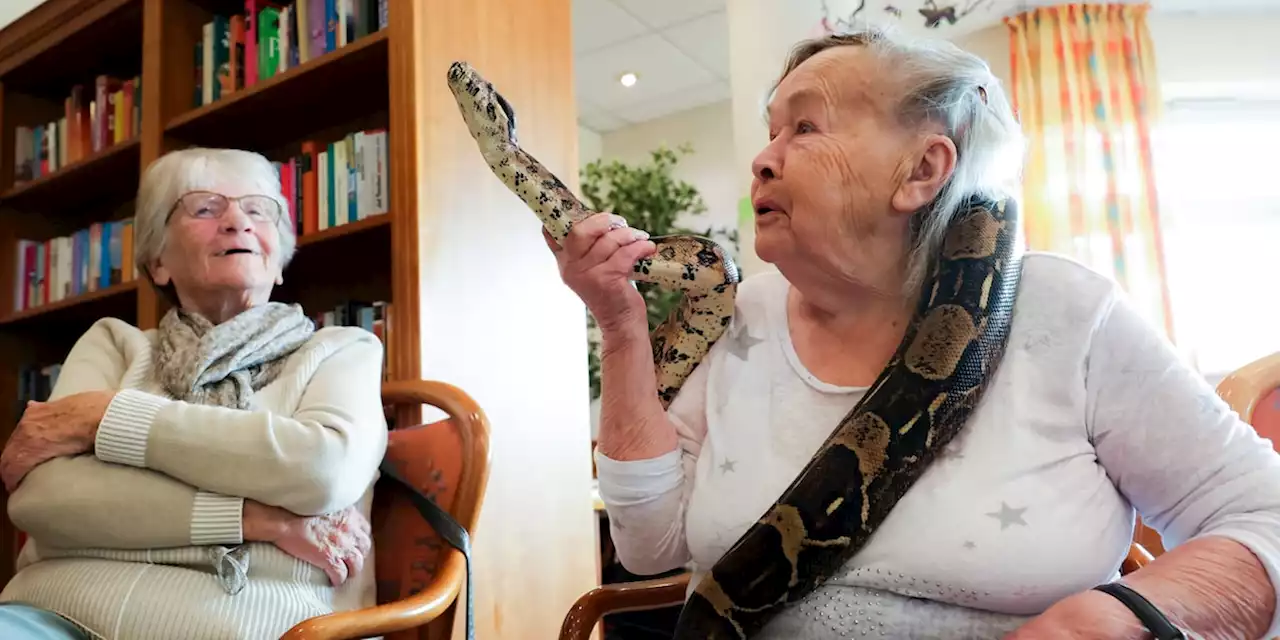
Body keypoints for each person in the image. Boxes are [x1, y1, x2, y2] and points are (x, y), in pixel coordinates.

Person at [548, 27, 1280, 639]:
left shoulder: (1063, 313)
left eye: (804, 127)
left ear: (924, 170)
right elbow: (646, 549)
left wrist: (1123, 615)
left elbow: (1263, 518)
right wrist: (620, 325)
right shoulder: (739, 319)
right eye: (770, 130)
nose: (763, 157)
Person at [0, 147, 389, 639]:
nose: (237, 222)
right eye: (204, 207)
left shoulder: (343, 349)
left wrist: (108, 419)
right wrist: (255, 518)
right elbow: (45, 501)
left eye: (258, 209)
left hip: (240, 625)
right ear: (157, 260)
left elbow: (322, 468)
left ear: (280, 258)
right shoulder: (114, 345)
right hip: (54, 614)